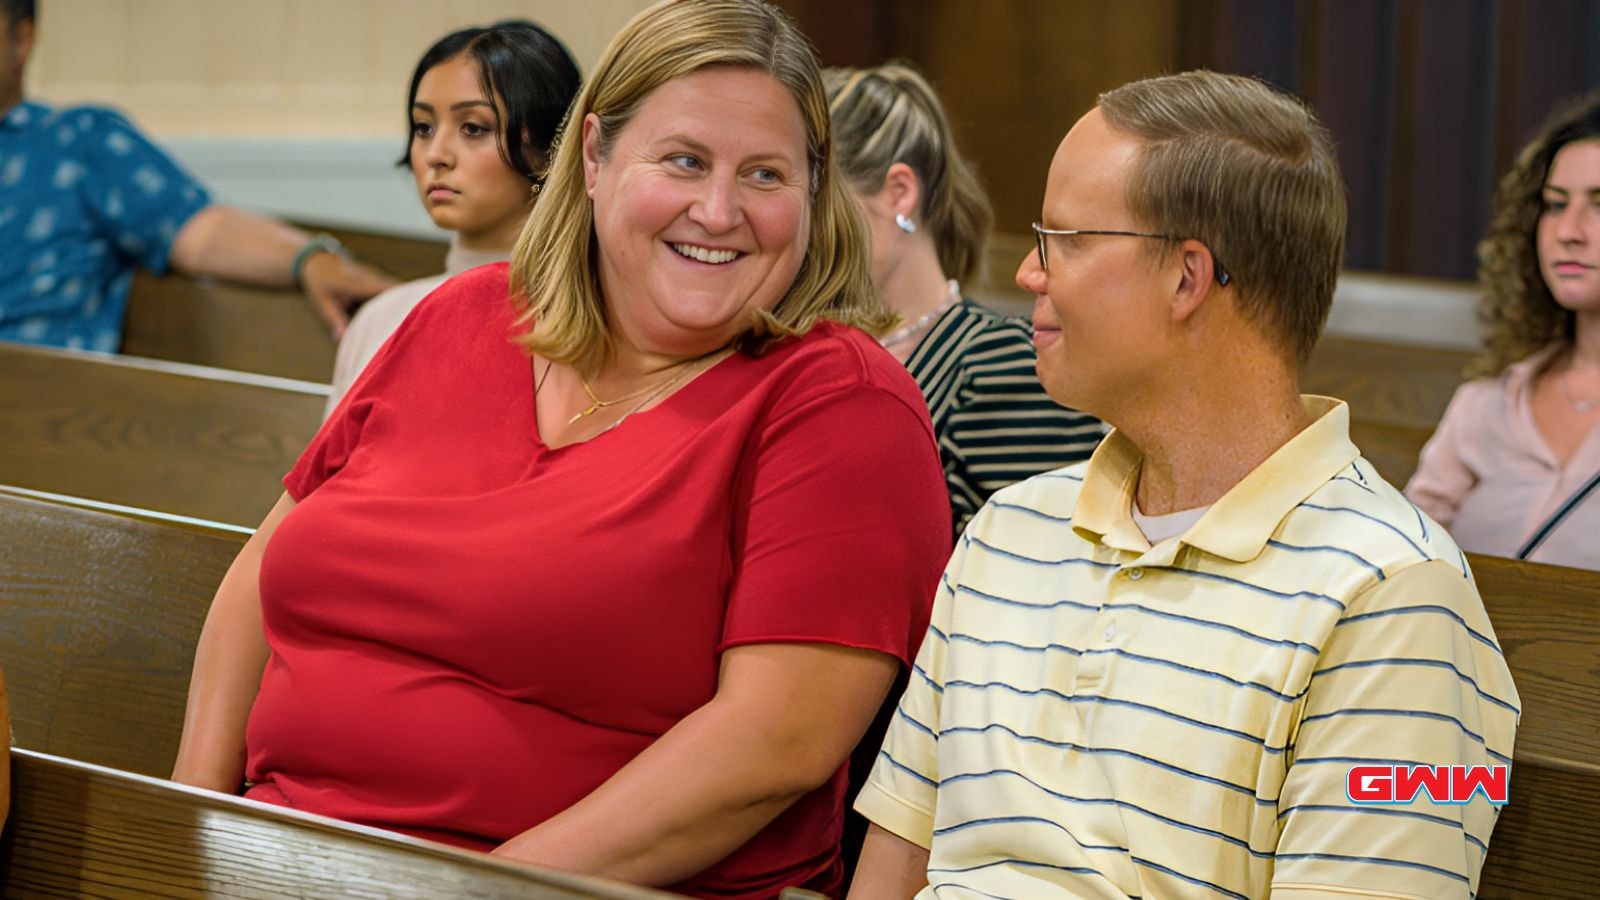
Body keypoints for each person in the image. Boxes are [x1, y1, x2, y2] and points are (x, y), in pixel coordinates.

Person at [170, 1, 951, 898]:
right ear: (593, 157)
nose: (719, 209)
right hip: (277, 858)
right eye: (685, 160)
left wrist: (459, 891)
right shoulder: (459, 316)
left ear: (811, 195)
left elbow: (774, 745)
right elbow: (256, 584)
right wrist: (187, 829)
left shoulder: (836, 404)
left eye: (766, 175)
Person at [849, 70, 1519, 900]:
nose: (1028, 272)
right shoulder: (1007, 531)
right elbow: (893, 866)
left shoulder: (1393, 598)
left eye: (1066, 239)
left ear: (1187, 279)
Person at [0, 0, 393, 352]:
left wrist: (310, 259)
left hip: (36, 410)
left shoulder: (78, 142)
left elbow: (201, 230)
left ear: (22, 40)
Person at [825, 62, 1103, 540]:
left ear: (898, 194)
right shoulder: (812, 350)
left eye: (817, 201)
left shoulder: (1008, 364)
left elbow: (1032, 581)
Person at [325, 20, 581, 414]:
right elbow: (328, 475)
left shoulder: (583, 324)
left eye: (473, 128)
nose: (436, 154)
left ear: (550, 149)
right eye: (423, 127)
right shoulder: (383, 320)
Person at [1406, 92, 1600, 569]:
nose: (1568, 230)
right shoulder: (1491, 398)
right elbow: (1402, 557)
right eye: (1554, 205)